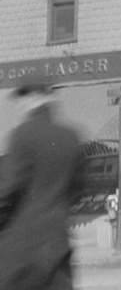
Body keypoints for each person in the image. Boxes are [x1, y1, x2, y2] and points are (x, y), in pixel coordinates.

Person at [0, 75, 86, 290]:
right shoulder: (72, 136)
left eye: (23, 98)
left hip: (22, 250)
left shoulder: (22, 135)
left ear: (34, 97)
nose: (20, 105)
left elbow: (8, 191)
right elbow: (78, 190)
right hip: (58, 245)